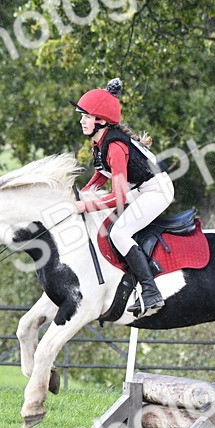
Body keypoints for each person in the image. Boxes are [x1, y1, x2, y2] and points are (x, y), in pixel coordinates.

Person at [72, 78, 174, 317]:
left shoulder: (115, 147)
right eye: (82, 116)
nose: (82, 121)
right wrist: (82, 194)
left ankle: (151, 292)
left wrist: (84, 205)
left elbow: (118, 196)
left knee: (119, 233)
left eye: (86, 116)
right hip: (139, 189)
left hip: (156, 191)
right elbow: (101, 173)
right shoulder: (100, 142)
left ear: (101, 120)